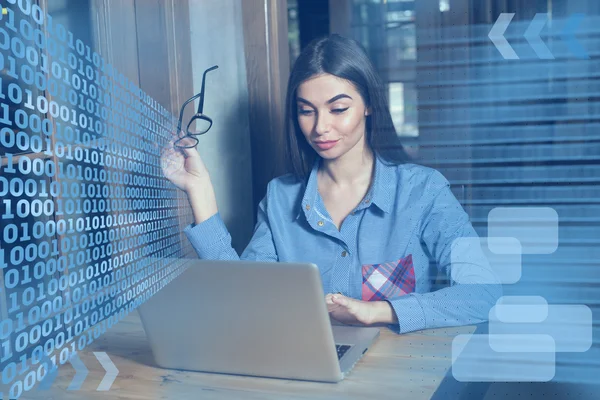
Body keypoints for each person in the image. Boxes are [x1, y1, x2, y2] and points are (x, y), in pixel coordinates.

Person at [162, 34, 501, 334]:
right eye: (306, 111)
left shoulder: (423, 190)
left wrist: (377, 312)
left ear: (369, 105)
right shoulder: (280, 197)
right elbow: (243, 298)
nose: (320, 127)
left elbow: (484, 292)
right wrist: (200, 190)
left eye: (338, 108)